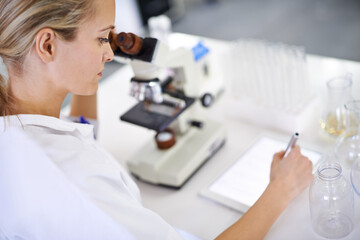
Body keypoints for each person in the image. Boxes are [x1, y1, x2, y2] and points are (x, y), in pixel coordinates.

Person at [0, 0, 314, 239]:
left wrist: (88, 65)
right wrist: (281, 187)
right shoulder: (80, 181)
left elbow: (78, 129)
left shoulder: (17, 125)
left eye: (111, 39)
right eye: (100, 40)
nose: (110, 54)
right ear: (47, 45)